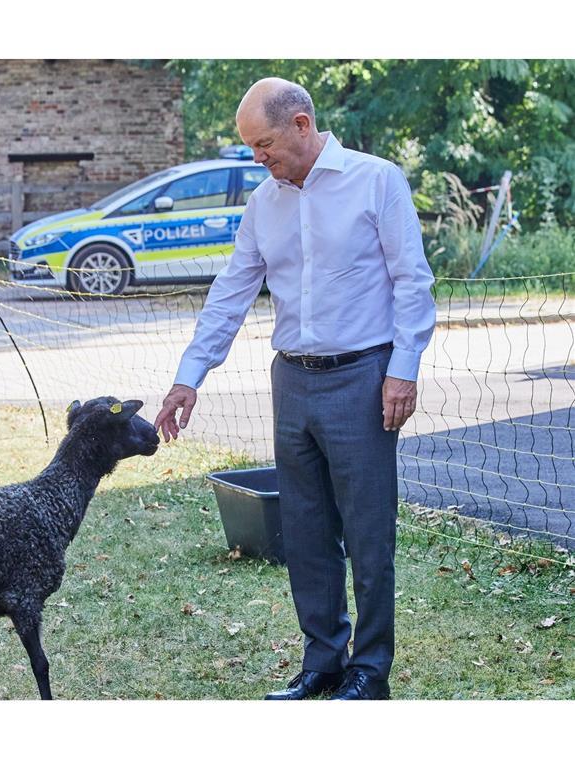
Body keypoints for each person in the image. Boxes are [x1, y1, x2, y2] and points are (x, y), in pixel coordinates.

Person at [154, 78, 436, 700]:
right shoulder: (264, 203)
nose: (258, 156)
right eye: (251, 146)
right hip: (293, 381)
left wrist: (404, 367)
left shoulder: (376, 180)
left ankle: (370, 669)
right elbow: (231, 291)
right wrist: (188, 377)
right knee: (305, 531)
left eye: (264, 143)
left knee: (367, 531)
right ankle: (323, 662)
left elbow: (412, 281)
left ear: (303, 125)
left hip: (364, 377)